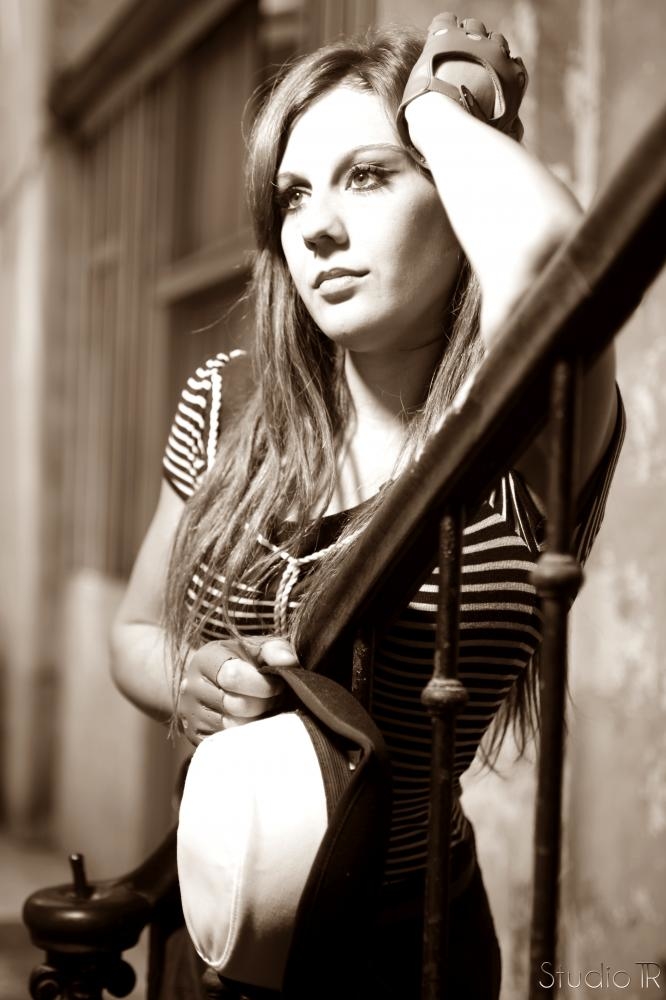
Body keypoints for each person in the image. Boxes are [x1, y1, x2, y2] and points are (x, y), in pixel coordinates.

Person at [110, 13, 623, 999]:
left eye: (370, 175)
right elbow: (132, 632)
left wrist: (435, 107)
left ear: (452, 187)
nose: (317, 226)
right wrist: (191, 682)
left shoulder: (521, 436)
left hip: (406, 950)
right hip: (209, 932)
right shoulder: (229, 399)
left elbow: (553, 254)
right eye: (294, 192)